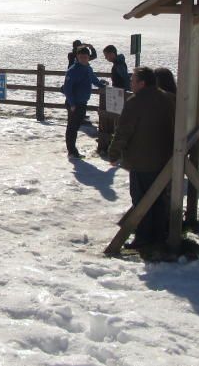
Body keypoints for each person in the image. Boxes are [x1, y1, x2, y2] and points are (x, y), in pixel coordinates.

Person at [108, 67, 176, 248]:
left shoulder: (135, 102)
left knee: (141, 199)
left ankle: (144, 237)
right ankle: (160, 234)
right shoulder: (169, 99)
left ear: (142, 83)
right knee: (160, 198)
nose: (131, 83)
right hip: (165, 159)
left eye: (133, 81)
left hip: (141, 159)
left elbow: (123, 131)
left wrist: (113, 153)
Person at [61, 46, 105, 158]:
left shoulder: (88, 69)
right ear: (77, 57)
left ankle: (72, 150)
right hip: (74, 103)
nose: (84, 59)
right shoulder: (73, 70)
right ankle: (72, 151)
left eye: (85, 57)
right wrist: (72, 104)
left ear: (88, 57)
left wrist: (101, 85)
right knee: (72, 127)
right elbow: (67, 88)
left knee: (75, 126)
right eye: (81, 57)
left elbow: (94, 79)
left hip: (82, 102)